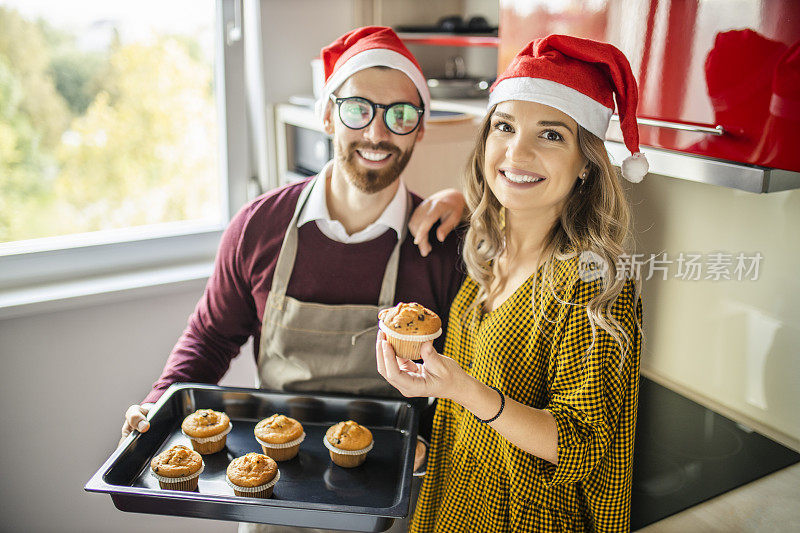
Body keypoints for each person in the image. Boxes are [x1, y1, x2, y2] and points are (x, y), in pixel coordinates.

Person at [119, 26, 465, 533]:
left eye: (401, 115)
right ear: (327, 114)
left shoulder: (441, 246)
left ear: (420, 129)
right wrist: (156, 407)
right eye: (357, 109)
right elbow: (211, 337)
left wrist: (428, 439)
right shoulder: (259, 227)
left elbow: (464, 375)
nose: (376, 133)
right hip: (271, 494)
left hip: (391, 503)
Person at [376, 35, 646, 532]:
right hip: (455, 499)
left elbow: (582, 446)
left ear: (586, 162)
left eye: (551, 135)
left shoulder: (589, 282)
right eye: (504, 126)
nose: (516, 152)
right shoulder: (486, 247)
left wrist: (461, 387)